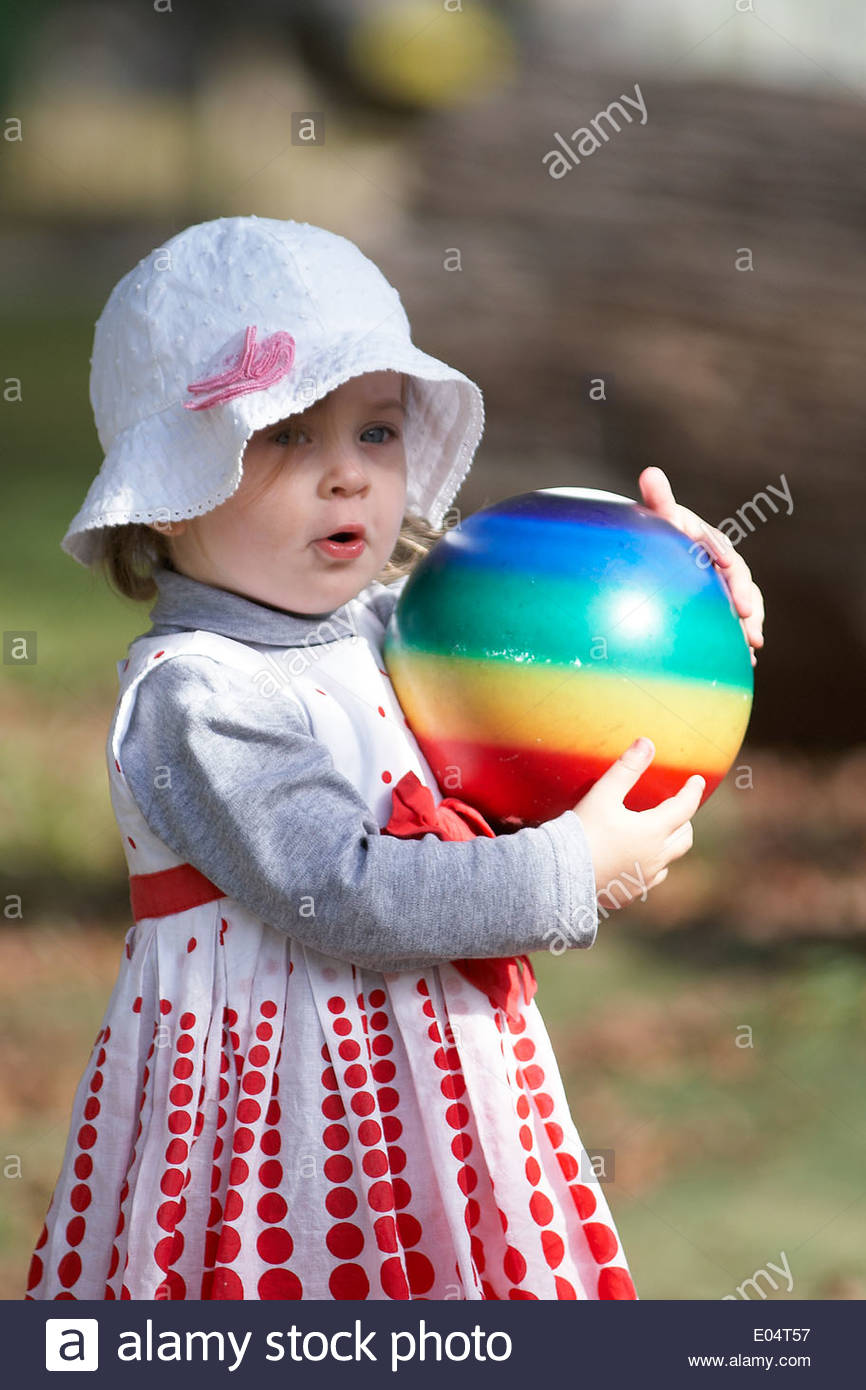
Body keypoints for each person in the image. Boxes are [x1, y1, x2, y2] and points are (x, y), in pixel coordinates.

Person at [24, 215, 764, 1302]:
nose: (347, 480)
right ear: (169, 491)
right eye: (284, 436)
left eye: (375, 434)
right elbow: (342, 889)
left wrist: (682, 618)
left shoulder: (404, 632)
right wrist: (567, 872)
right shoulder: (198, 697)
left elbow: (525, 750)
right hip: (284, 1129)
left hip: (444, 1098)